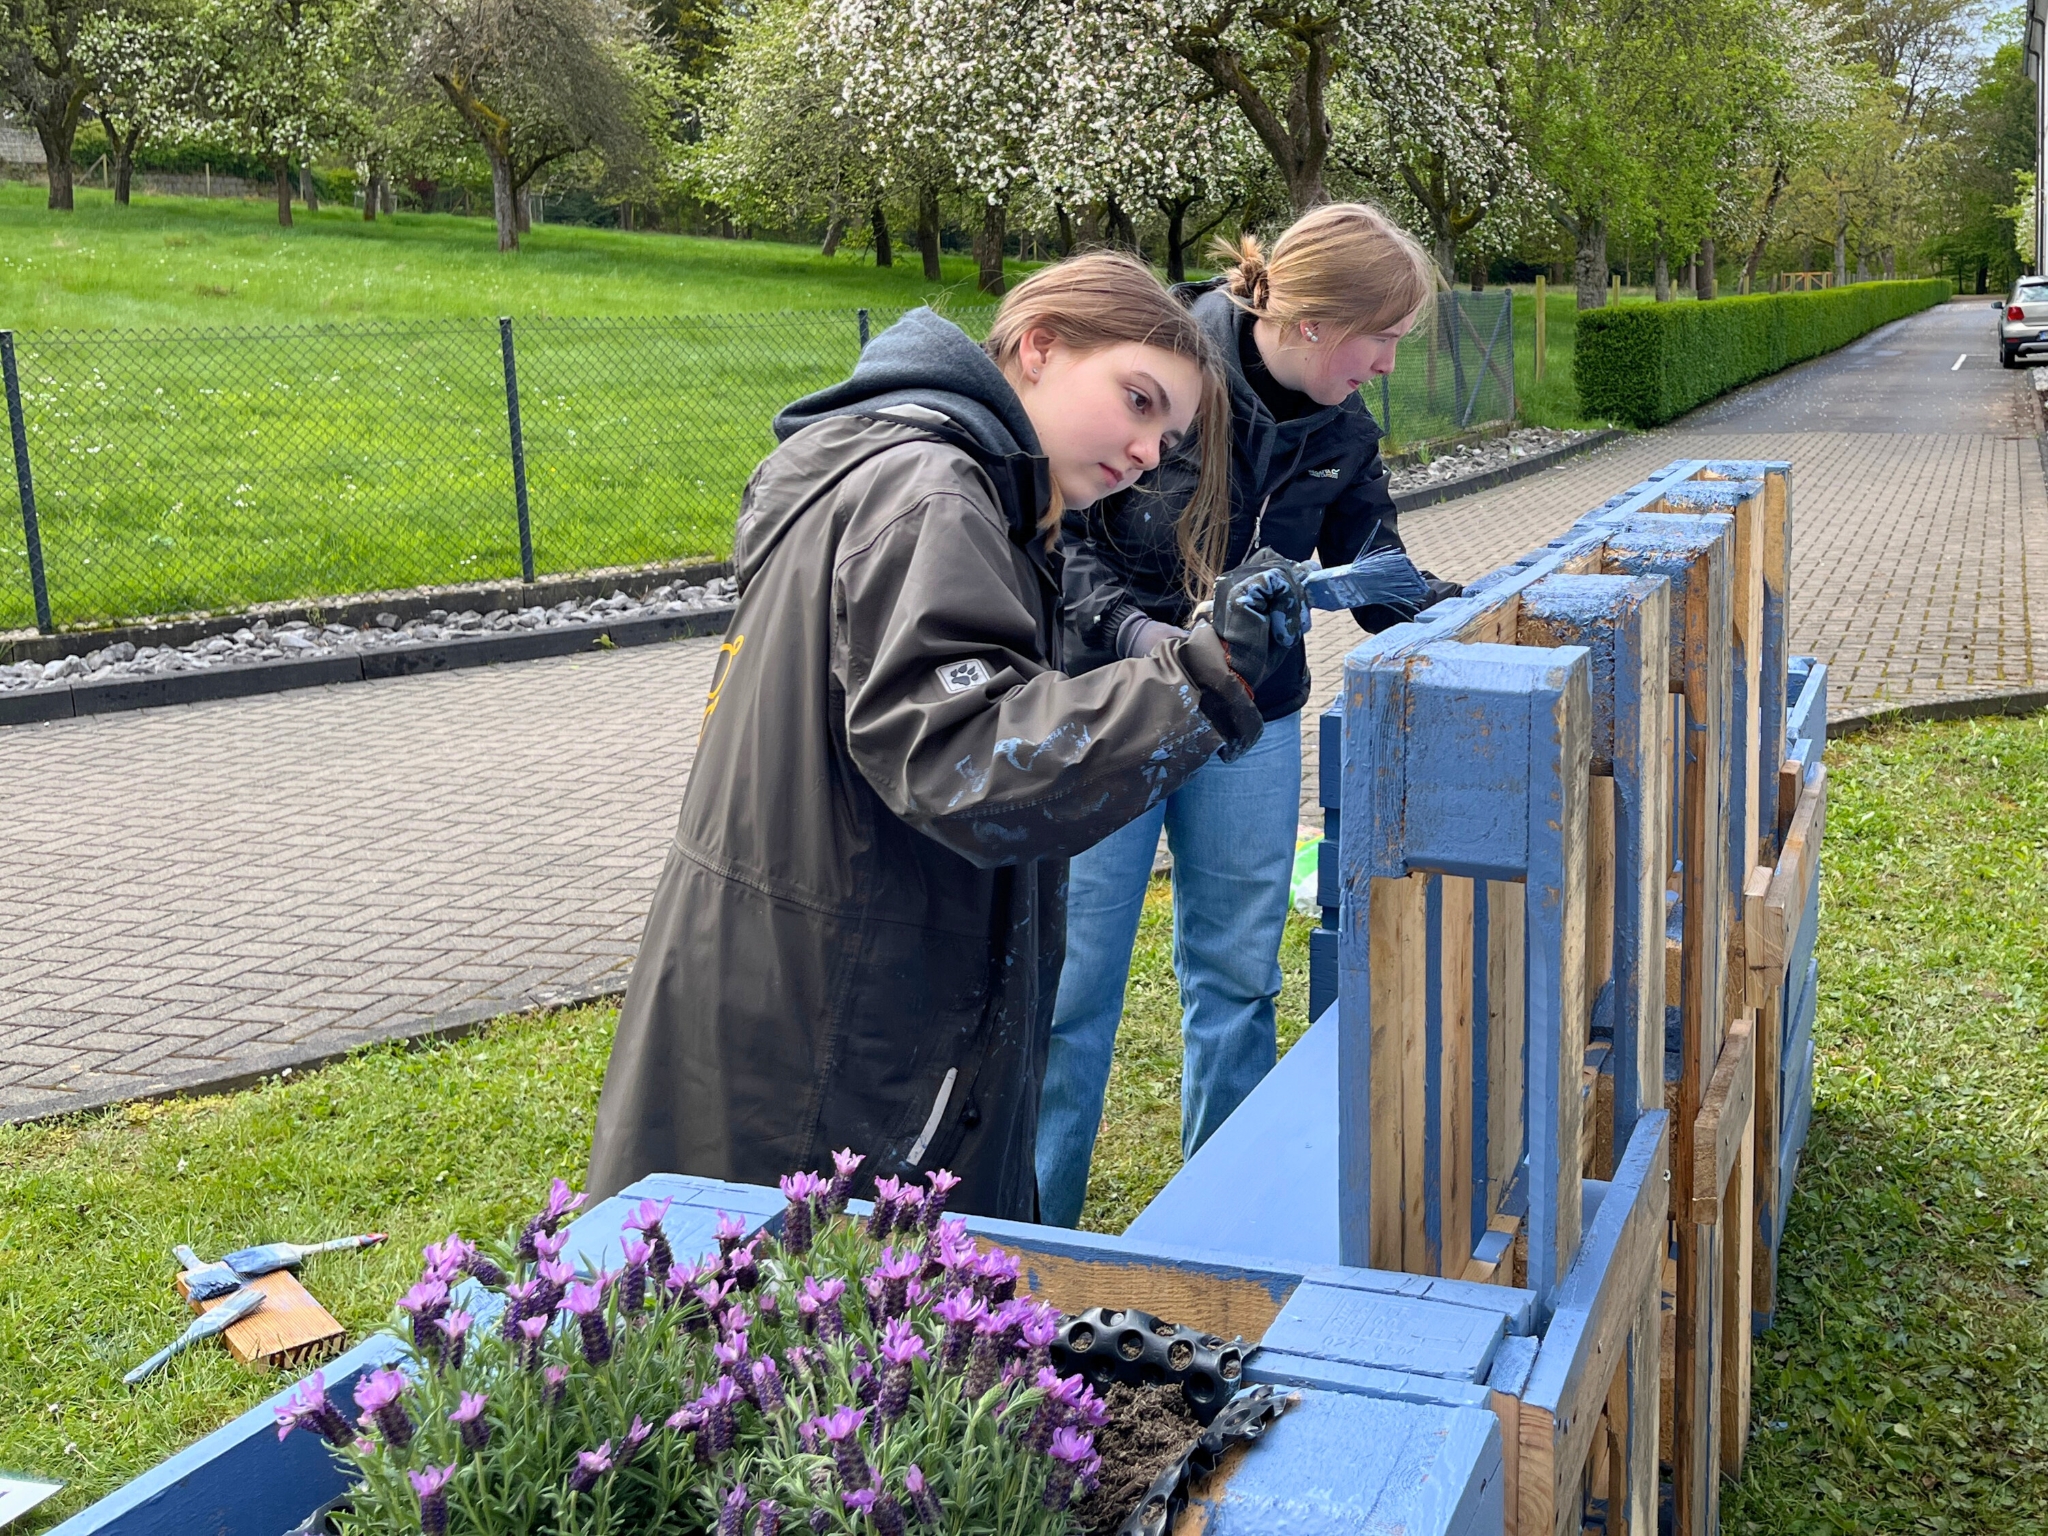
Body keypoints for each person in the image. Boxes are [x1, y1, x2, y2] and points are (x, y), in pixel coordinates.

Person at [585, 252, 1312, 1220]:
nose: (1147, 451)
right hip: (834, 1039)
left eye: (1167, 436)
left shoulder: (943, 483)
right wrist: (1199, 683)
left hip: (797, 997)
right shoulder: (932, 495)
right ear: (1038, 348)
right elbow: (967, 759)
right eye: (1137, 402)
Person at [1036, 204, 1456, 1227]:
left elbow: (1373, 567)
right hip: (1110, 710)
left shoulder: (1342, 428)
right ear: (1315, 319)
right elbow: (1061, 545)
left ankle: (1218, 1227)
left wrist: (1454, 607)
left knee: (1235, 975)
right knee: (1072, 985)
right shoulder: (1164, 378)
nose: (1389, 367)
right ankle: (1029, 1239)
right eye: (1384, 339)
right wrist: (1145, 642)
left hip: (1250, 727)